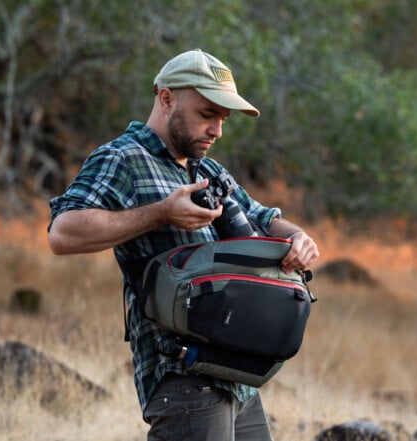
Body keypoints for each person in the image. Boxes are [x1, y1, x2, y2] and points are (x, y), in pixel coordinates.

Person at [47, 49, 319, 440]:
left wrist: (298, 237)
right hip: (184, 377)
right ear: (166, 98)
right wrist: (161, 213)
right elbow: (63, 232)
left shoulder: (208, 169)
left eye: (223, 119)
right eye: (207, 114)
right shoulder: (123, 158)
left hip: (238, 376)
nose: (217, 131)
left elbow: (263, 218)